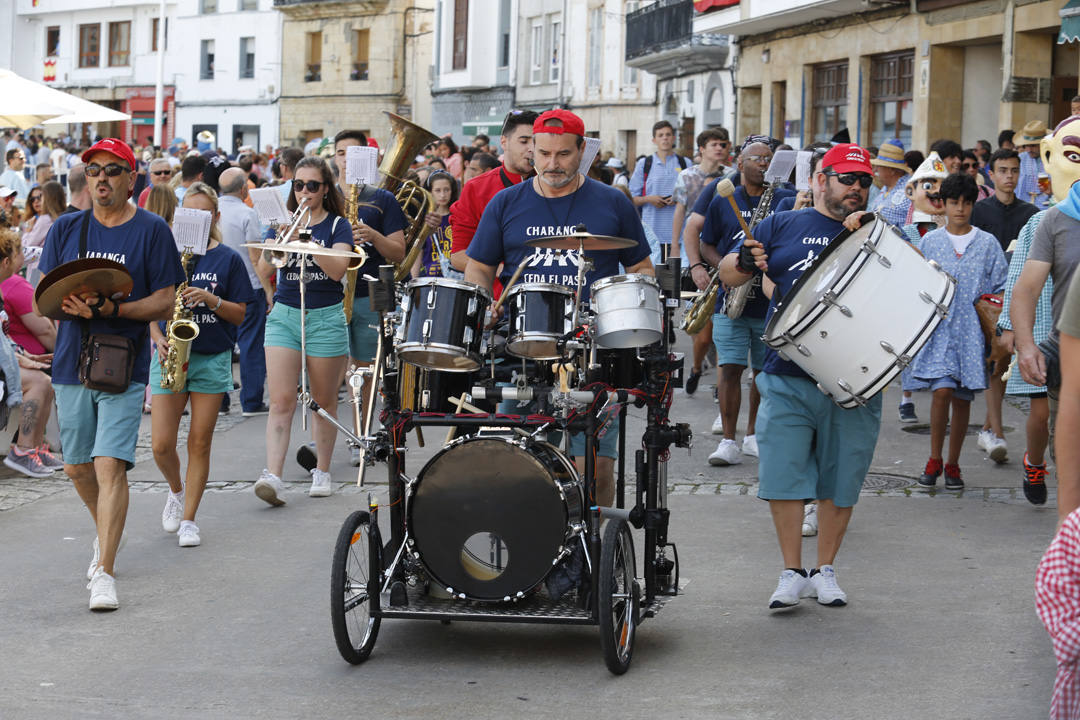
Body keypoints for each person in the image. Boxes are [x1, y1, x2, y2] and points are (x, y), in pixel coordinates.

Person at [464, 109, 654, 508]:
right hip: (523, 348)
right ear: (531, 148)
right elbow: (479, 267)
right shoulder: (505, 203)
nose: (552, 164)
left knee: (596, 470)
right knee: (519, 463)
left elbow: (640, 267)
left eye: (564, 154)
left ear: (583, 151)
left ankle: (592, 551)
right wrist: (484, 304)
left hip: (593, 349)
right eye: (544, 153)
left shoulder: (611, 202)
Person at [718, 143, 879, 609]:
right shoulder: (781, 223)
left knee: (841, 479)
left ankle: (824, 570)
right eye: (847, 179)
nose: (856, 188)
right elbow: (727, 273)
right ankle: (791, 571)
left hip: (854, 376)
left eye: (864, 181)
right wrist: (746, 262)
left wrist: (869, 231)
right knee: (784, 477)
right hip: (786, 373)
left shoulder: (878, 231)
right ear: (819, 180)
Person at [38, 138, 184, 611]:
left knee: (109, 464)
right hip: (69, 362)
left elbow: (165, 300)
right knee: (78, 466)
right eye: (94, 170)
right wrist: (75, 306)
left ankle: (105, 570)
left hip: (123, 361)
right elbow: (47, 298)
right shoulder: (66, 228)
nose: (102, 178)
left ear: (131, 179)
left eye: (113, 170)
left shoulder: (152, 230)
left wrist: (111, 306)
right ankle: (104, 534)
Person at [150, 183, 252, 547]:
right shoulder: (167, 252)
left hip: (211, 356)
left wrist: (211, 299)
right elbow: (151, 302)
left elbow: (240, 314)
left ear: (215, 217)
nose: (195, 220)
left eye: (203, 214)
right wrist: (156, 335)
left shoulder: (228, 258)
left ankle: (190, 518)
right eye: (188, 213)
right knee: (161, 444)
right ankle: (176, 491)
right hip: (170, 353)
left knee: (199, 442)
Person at [253, 157, 355, 504]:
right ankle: (273, 476)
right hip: (285, 314)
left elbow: (338, 269)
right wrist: (280, 240)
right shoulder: (283, 222)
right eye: (299, 185)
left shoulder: (338, 225)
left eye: (312, 185)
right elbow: (264, 266)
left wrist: (308, 242)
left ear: (325, 189)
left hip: (325, 315)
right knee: (281, 399)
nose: (305, 192)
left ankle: (322, 470)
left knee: (323, 401)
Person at [699, 136, 794, 465]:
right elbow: (706, 243)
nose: (765, 163)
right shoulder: (723, 197)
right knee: (729, 369)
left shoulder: (784, 198)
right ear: (740, 164)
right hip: (731, 300)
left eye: (769, 158)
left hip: (766, 301)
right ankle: (728, 440)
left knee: (761, 373)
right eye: (757, 158)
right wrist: (724, 267)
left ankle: (752, 434)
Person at [909, 174, 1007, 490]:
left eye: (966, 202)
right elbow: (917, 286)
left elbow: (1002, 287)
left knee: (963, 400)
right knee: (941, 391)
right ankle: (934, 457)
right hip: (938, 332)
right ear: (944, 205)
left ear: (973, 203)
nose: (960, 209)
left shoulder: (988, 243)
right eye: (954, 203)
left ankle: (953, 463)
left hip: (973, 335)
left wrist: (997, 323)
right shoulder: (930, 242)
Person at [1013, 115, 1080, 522]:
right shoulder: (1055, 221)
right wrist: (1025, 346)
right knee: (1070, 461)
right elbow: (1025, 290)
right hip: (1069, 362)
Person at [331, 129, 407, 465]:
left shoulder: (383, 199)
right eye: (340, 153)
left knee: (371, 370)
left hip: (376, 287)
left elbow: (399, 253)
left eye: (353, 153)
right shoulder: (327, 197)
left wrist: (373, 235)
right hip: (334, 292)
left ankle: (366, 435)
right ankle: (352, 435)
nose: (346, 160)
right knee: (342, 373)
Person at [969, 148, 1038, 463]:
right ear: (991, 174)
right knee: (995, 365)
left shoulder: (1032, 214)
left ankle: (988, 430)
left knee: (1008, 366)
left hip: (1024, 299)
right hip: (988, 302)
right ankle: (994, 433)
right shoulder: (979, 212)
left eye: (1014, 170)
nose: (1009, 177)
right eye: (1003, 170)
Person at [672, 127, 733, 397]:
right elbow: (680, 212)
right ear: (702, 149)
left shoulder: (731, 176)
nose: (719, 149)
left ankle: (721, 381)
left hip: (720, 251)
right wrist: (674, 248)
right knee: (697, 323)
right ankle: (697, 366)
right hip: (692, 252)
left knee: (720, 321)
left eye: (724, 144)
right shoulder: (687, 176)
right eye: (714, 144)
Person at [998, 209, 1054, 504]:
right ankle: (1034, 463)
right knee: (1042, 414)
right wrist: (1011, 327)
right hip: (1045, 328)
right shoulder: (1042, 220)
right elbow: (1019, 273)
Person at [0, 229, 62, 478]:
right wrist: (23, 359)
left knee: (45, 380)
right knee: (39, 381)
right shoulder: (10, 285)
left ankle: (34, 447)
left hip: (5, 359)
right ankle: (23, 450)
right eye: (19, 254)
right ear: (7, 261)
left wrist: (27, 356)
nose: (22, 258)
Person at [449, 109, 538, 276]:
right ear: (504, 142)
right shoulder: (476, 188)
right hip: (495, 297)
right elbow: (458, 256)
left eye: (536, 141)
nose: (532, 149)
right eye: (524, 141)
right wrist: (503, 271)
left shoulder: (551, 186)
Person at [217, 167, 270, 416]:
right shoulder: (248, 213)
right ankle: (251, 401)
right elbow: (255, 254)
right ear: (243, 189)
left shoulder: (212, 211)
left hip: (216, 287)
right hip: (249, 286)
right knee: (250, 345)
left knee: (221, 346)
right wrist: (268, 289)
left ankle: (219, 400)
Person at [630, 121, 689, 262]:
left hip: (679, 236)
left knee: (676, 280)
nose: (665, 138)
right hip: (652, 235)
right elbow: (630, 198)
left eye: (668, 135)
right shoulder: (644, 164)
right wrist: (649, 199)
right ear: (654, 140)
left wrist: (678, 199)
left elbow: (693, 197)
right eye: (660, 135)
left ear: (674, 138)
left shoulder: (685, 163)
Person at [411, 170, 457, 278]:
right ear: (430, 192)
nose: (443, 195)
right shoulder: (424, 220)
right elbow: (417, 253)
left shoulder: (457, 217)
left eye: (446, 190)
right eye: (438, 190)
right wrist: (413, 282)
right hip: (429, 279)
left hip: (456, 280)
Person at [868, 139, 912, 228]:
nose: (875, 170)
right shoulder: (886, 187)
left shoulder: (909, 191)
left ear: (892, 170)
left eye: (879, 166)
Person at [1016, 120, 1051, 210]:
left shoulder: (1052, 159)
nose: (1029, 149)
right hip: (1022, 207)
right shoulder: (1020, 159)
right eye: (1026, 146)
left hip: (1046, 208)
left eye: (1033, 146)